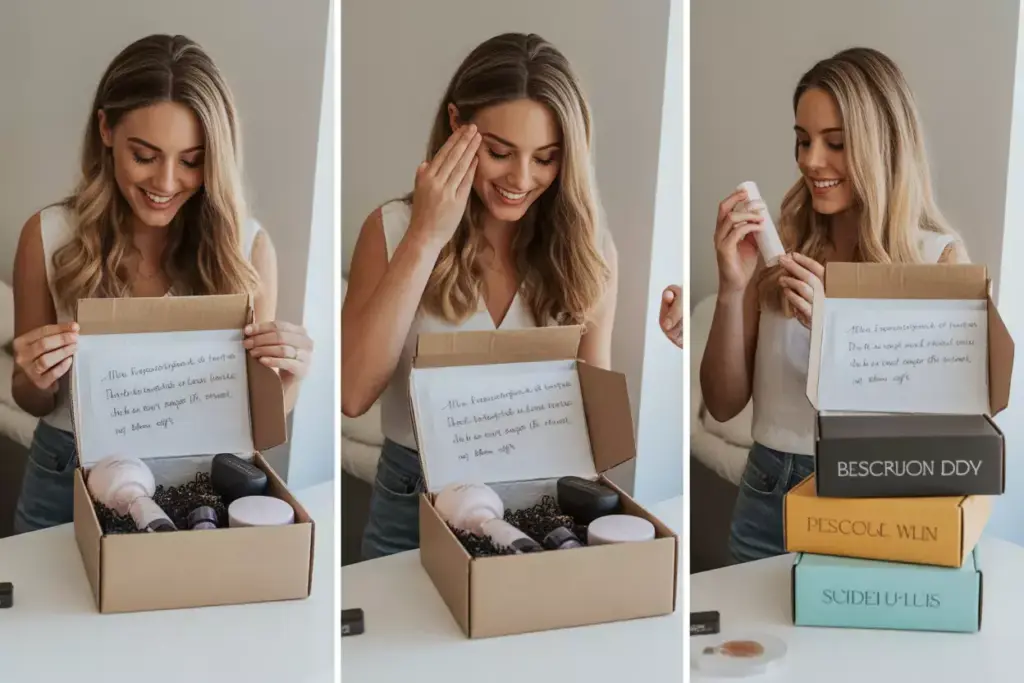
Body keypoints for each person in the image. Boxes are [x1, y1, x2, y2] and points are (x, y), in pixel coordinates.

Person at [10, 34, 313, 534]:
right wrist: (36, 376)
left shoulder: (248, 249)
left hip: (199, 483)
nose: (167, 183)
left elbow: (255, 429)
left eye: (191, 161)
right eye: (145, 156)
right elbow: (31, 399)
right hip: (66, 472)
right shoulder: (47, 236)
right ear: (106, 129)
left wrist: (293, 376)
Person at [342, 33, 618, 560]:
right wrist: (426, 237)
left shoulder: (589, 250)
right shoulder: (393, 230)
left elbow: (595, 436)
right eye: (499, 152)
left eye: (546, 158)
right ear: (455, 123)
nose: (521, 178)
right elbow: (352, 394)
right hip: (414, 498)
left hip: (543, 502)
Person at [700, 47, 968, 564]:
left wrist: (839, 330)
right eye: (803, 140)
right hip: (766, 496)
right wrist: (732, 287)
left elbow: (942, 433)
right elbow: (723, 403)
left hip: (868, 500)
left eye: (835, 143)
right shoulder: (782, 248)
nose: (810, 160)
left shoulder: (937, 259)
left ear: (884, 146)